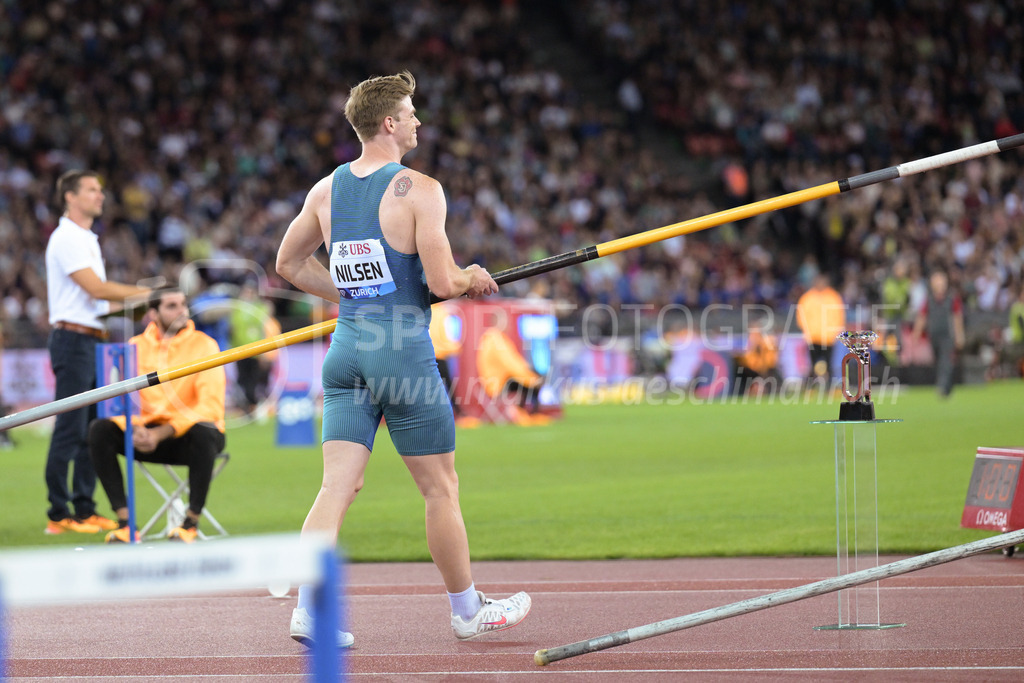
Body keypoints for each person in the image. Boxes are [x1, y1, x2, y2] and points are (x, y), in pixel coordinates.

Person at [276, 70, 530, 649]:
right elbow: (442, 282)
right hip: (400, 352)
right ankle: (467, 611)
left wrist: (356, 294)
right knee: (440, 488)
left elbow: (287, 264)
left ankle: (309, 611)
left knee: (336, 488)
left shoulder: (326, 189)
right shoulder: (421, 189)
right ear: (389, 123)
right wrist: (471, 276)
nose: (419, 121)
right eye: (412, 112)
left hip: (347, 349)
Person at [44, 170, 151, 535]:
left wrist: (138, 305)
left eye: (100, 190)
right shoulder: (67, 237)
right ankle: (58, 513)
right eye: (91, 189)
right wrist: (146, 294)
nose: (100, 195)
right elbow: (96, 288)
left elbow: (98, 299)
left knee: (91, 427)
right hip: (73, 339)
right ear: (70, 196)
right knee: (70, 426)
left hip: (91, 339)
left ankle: (84, 508)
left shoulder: (86, 238)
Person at [88, 288, 226, 543]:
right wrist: (134, 428)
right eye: (172, 306)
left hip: (188, 437)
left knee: (204, 431)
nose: (182, 311)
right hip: (144, 434)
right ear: (153, 314)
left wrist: (161, 432)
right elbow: (120, 401)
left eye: (183, 304)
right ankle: (126, 525)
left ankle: (190, 524)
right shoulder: (134, 346)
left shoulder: (205, 345)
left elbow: (210, 406)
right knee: (99, 429)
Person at [913, 270, 965, 398]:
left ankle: (942, 386)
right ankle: (947, 386)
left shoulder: (952, 299)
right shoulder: (929, 300)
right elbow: (922, 317)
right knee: (938, 361)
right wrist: (916, 334)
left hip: (948, 335)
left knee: (945, 360)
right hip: (934, 335)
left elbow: (957, 318)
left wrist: (959, 335)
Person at [795, 272, 845, 385]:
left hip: (828, 337)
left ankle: (829, 385)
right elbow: (801, 316)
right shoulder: (807, 298)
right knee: (813, 364)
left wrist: (836, 331)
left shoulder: (833, 296)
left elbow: (839, 315)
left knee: (829, 363)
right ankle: (811, 386)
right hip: (813, 337)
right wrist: (806, 331)